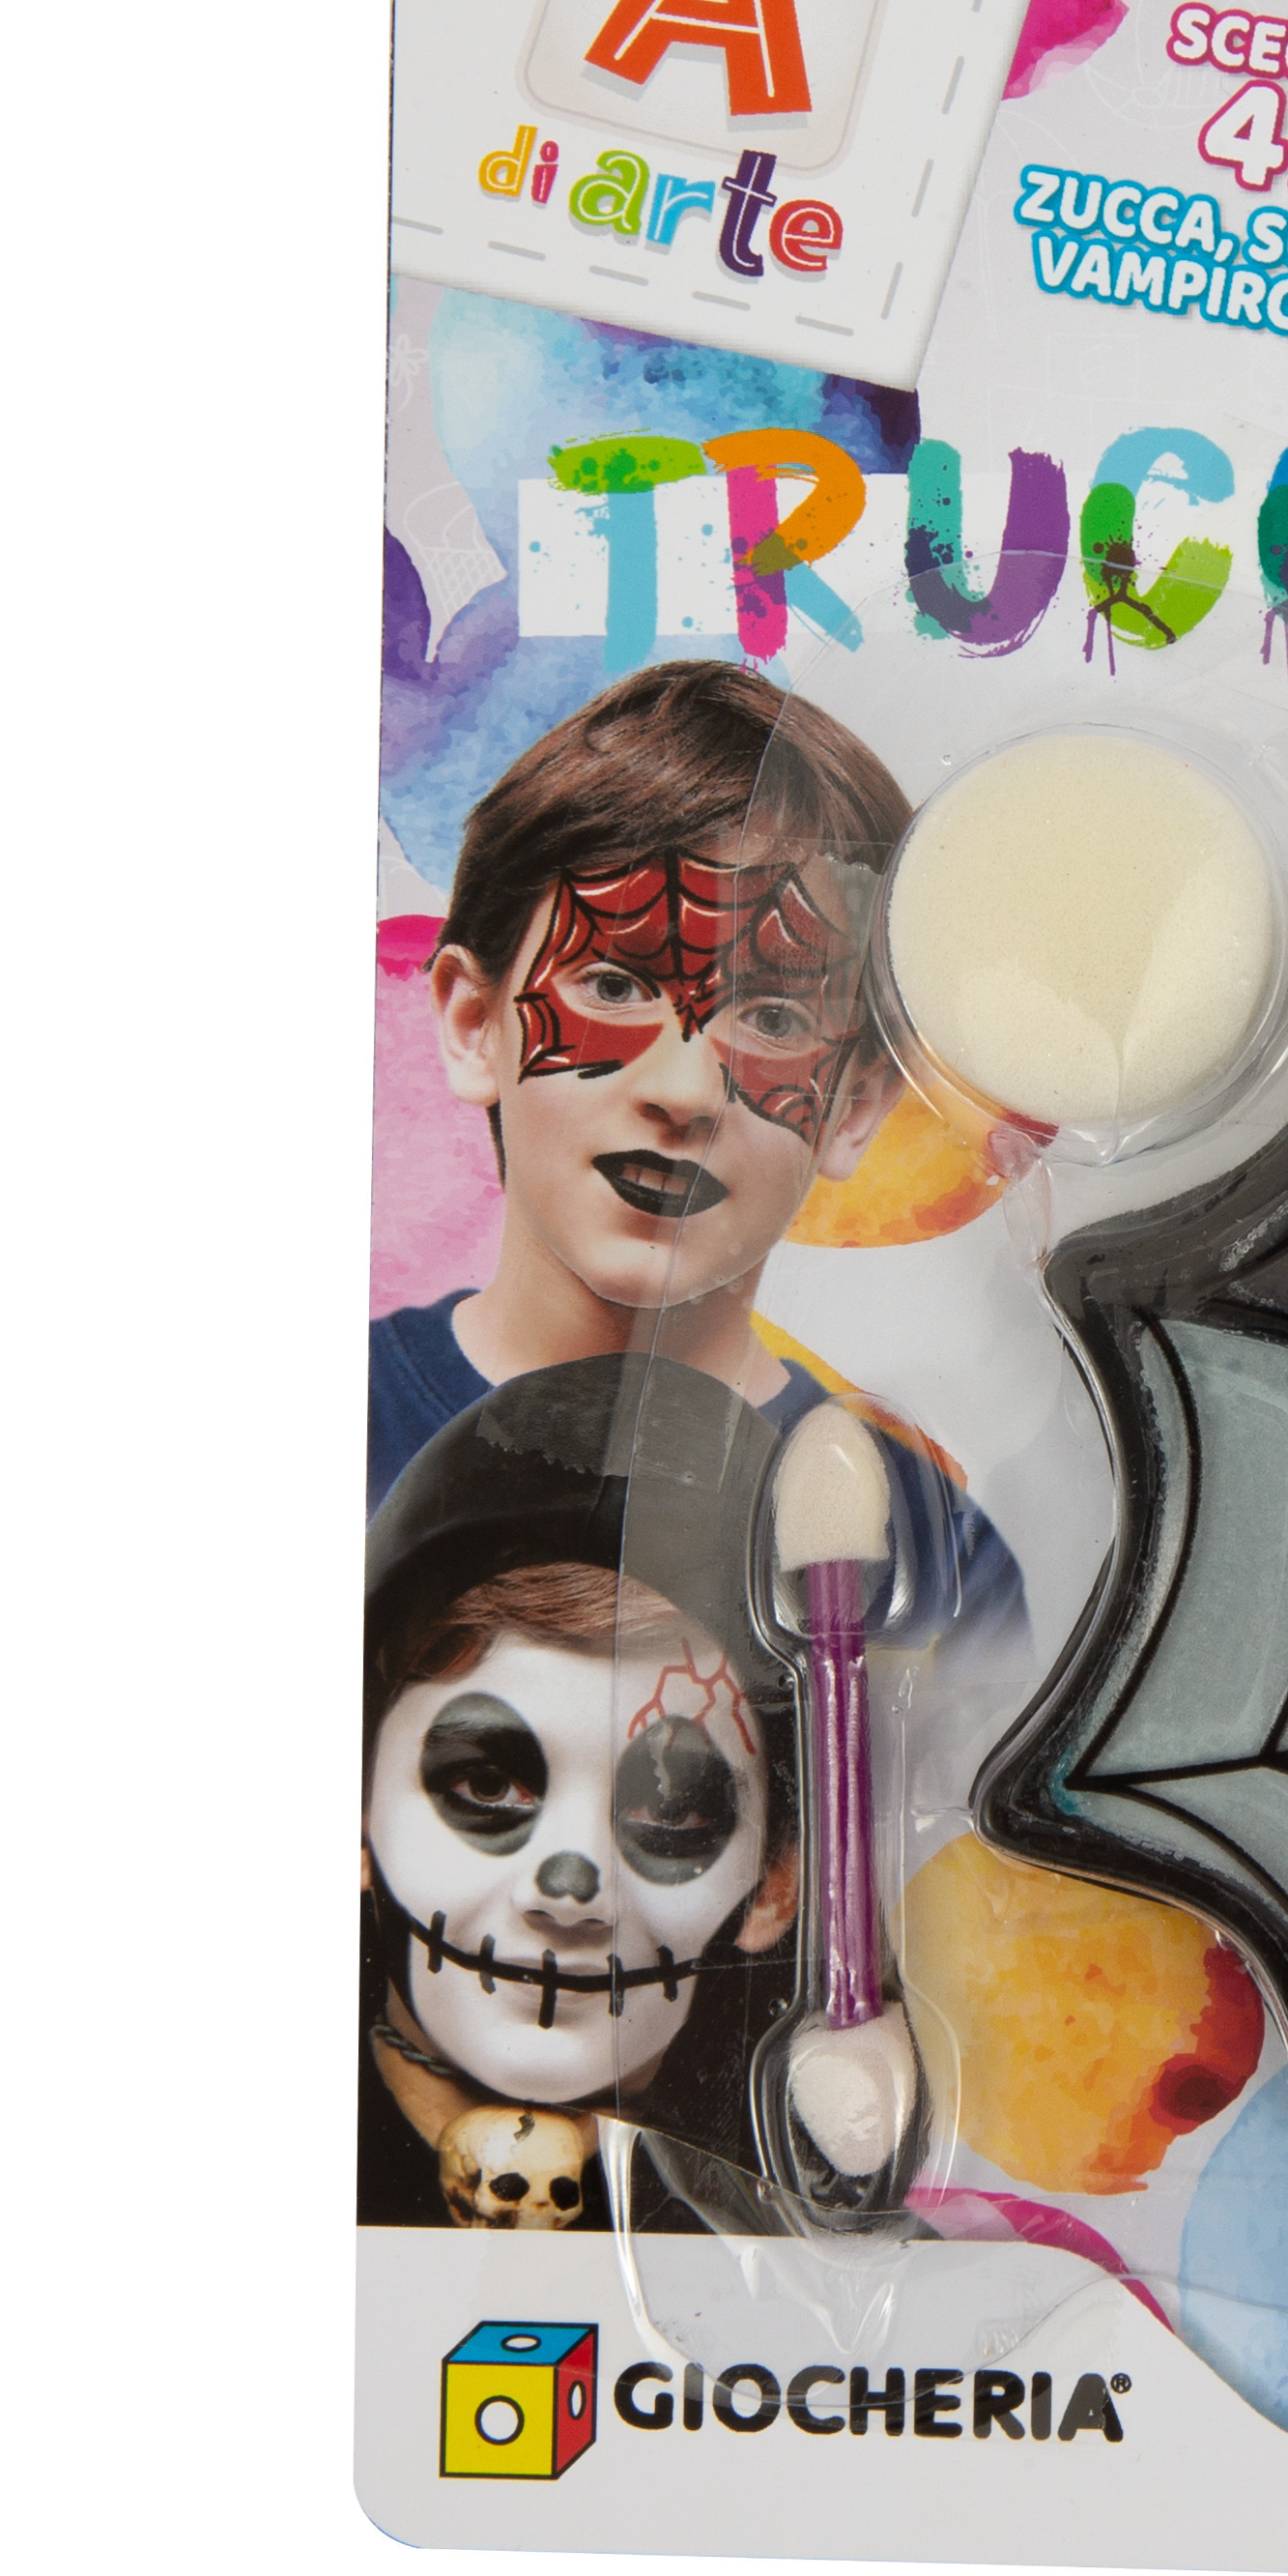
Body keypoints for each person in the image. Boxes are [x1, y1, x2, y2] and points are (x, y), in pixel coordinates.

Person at [367, 658, 1022, 1666]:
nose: (684, 1091)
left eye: (773, 1017)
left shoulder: (933, 1565)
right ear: (472, 1022)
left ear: (853, 1107)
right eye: (614, 984)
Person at [361, 1357, 810, 2230]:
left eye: (669, 1810)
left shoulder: (820, 2263)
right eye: (486, 1783)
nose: (569, 1891)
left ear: (778, 1880)